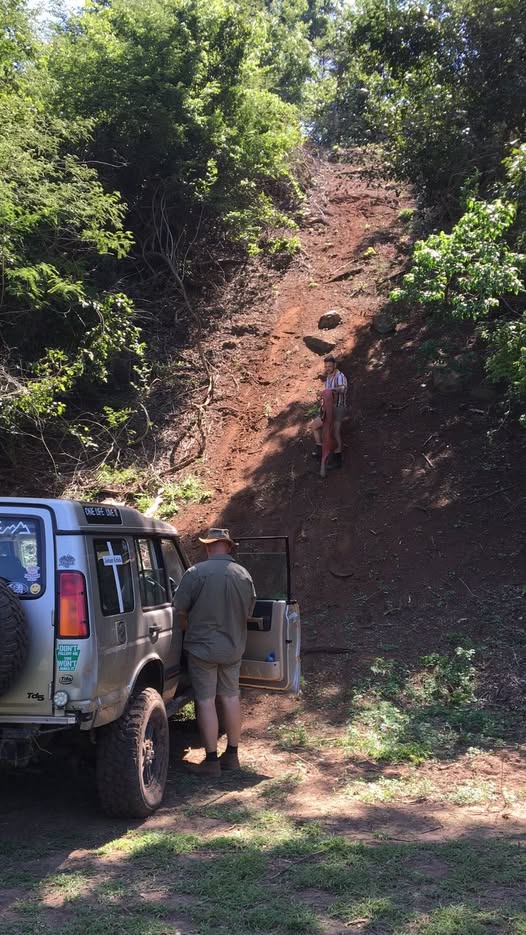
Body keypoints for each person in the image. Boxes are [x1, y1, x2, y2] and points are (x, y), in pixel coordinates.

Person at [174, 527, 256, 778]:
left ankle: (211, 761)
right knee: (231, 697)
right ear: (229, 547)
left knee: (206, 701)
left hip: (202, 650)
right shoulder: (243, 574)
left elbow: (179, 610)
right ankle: (232, 755)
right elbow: (249, 614)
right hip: (232, 648)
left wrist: (189, 629)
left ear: (208, 547)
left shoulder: (195, 573)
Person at [311, 355, 348, 468]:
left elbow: (343, 388)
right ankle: (320, 451)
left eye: (330, 366)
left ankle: (338, 459)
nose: (328, 368)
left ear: (334, 365)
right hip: (328, 408)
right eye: (326, 366)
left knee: (335, 432)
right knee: (314, 426)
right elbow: (326, 394)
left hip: (338, 407)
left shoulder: (340, 376)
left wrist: (331, 391)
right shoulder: (328, 377)